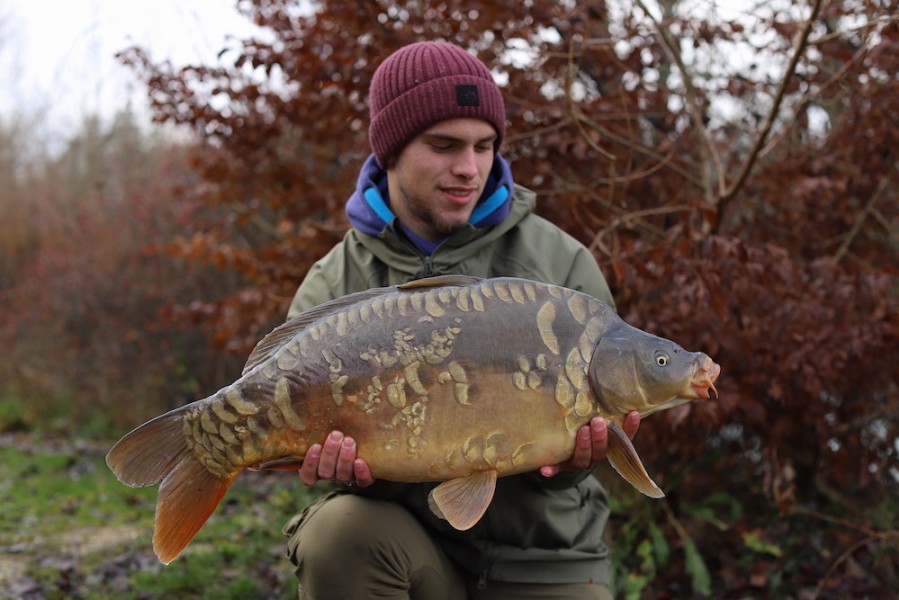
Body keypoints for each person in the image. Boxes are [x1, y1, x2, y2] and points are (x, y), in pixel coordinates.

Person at [282, 40, 641, 600]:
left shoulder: (561, 265)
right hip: (411, 551)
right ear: (391, 151)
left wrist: (577, 459)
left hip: (545, 559)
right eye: (444, 146)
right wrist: (343, 468)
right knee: (336, 533)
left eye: (484, 145)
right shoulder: (335, 284)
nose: (469, 169)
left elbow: (585, 448)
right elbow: (313, 455)